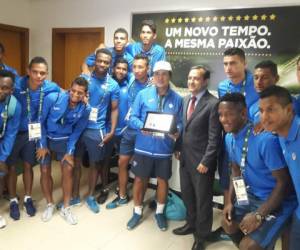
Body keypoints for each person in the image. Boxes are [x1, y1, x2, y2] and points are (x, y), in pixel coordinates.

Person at [219, 93, 296, 250]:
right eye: (220, 115)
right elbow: (235, 170)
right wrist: (230, 202)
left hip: (278, 200)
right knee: (228, 223)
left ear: (243, 113)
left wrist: (259, 214)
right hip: (251, 195)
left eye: (229, 114)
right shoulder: (229, 138)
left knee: (249, 246)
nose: (223, 119)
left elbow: (283, 183)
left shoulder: (265, 140)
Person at [126, 61, 183, 231]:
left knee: (162, 181)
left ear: (169, 77)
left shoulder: (177, 99)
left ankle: (159, 212)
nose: (160, 77)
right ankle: (136, 212)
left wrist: (176, 131)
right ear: (153, 75)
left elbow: (180, 123)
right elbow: (133, 117)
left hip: (164, 149)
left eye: (164, 73)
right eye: (157, 73)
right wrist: (141, 126)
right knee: (139, 179)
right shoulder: (143, 95)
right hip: (143, 146)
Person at [173, 66, 222, 250]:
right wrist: (178, 147)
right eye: (189, 78)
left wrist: (206, 161)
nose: (191, 81)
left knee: (203, 201)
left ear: (205, 81)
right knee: (188, 195)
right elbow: (184, 129)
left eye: (196, 78)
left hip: (201, 163)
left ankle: (201, 237)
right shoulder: (186, 100)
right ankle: (190, 224)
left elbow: (214, 137)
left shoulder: (213, 103)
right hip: (185, 158)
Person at [6, 57, 61, 221]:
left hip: (33, 134)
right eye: (35, 72)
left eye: (43, 73)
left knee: (29, 165)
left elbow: (67, 94)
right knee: (12, 168)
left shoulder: (51, 87)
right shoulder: (17, 85)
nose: (39, 76)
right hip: (14, 133)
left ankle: (28, 198)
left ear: (47, 74)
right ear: (28, 71)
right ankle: (13, 200)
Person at [37, 76, 90, 225]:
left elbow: (77, 131)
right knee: (45, 170)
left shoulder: (85, 109)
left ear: (85, 94)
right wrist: (42, 144)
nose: (75, 95)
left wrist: (70, 151)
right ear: (69, 88)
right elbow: (40, 122)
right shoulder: (53, 98)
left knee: (68, 169)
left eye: (80, 93)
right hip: (45, 138)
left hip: (65, 140)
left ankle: (66, 207)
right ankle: (49, 204)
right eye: (73, 91)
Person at [73, 48, 119, 213]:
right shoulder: (84, 79)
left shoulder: (113, 84)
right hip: (78, 128)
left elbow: (114, 109)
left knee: (95, 165)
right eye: (99, 60)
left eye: (106, 62)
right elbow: (71, 98)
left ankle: (91, 196)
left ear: (110, 64)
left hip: (97, 130)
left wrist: (112, 130)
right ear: (94, 60)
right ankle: (74, 196)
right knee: (76, 163)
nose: (102, 64)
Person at [106, 54, 151, 209]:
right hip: (129, 130)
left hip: (143, 132)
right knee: (122, 162)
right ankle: (122, 196)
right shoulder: (131, 79)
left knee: (141, 168)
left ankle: (139, 202)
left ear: (148, 68)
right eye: (135, 67)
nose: (137, 70)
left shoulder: (152, 86)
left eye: (141, 67)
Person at [259, 85, 300, 250]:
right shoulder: (281, 134)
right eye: (261, 111)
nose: (264, 117)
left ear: (289, 110)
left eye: (270, 110)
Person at [96, 57, 130, 205]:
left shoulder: (131, 84)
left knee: (124, 162)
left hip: (124, 130)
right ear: (113, 68)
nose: (121, 71)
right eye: (118, 68)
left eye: (124, 69)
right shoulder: (108, 84)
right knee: (104, 161)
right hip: (108, 129)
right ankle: (104, 188)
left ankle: (121, 188)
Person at [0, 70, 21, 229]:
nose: (0, 90)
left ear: (11, 90)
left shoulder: (14, 106)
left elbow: (10, 134)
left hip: (2, 143)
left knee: (1, 174)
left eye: (5, 88)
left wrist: (2, 157)